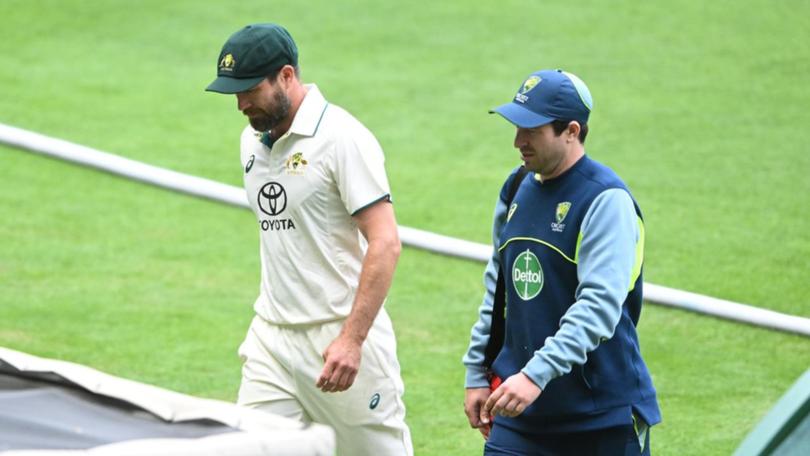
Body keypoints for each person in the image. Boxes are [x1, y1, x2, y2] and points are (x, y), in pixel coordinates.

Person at [205, 23, 412, 456]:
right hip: (271, 340)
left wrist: (352, 339)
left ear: (285, 76)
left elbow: (386, 242)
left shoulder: (343, 139)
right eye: (233, 92)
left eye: (249, 89)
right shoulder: (251, 140)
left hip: (339, 340)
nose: (240, 103)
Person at [462, 69, 661, 455]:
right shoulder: (516, 188)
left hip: (597, 416)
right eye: (516, 127)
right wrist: (476, 372)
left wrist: (535, 375)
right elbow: (497, 288)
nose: (518, 141)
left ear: (571, 131)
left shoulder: (606, 201)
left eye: (531, 131)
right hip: (520, 416)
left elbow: (598, 307)